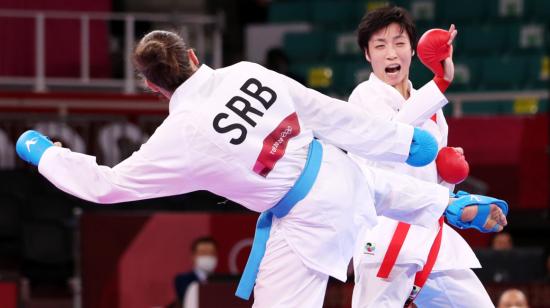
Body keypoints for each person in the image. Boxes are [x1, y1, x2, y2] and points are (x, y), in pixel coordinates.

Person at [15, 30, 507, 307]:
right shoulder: (247, 73)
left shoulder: (178, 136)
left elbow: (106, 186)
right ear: (191, 56)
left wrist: (47, 154)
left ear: (152, 87)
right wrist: (409, 145)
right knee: (361, 184)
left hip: (307, 222)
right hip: (340, 173)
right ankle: (448, 202)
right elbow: (330, 114)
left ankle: (444, 203)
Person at [349, 6, 497, 308]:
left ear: (413, 51)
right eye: (380, 45)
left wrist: (450, 175)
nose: (391, 53)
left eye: (399, 43)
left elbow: (435, 186)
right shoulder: (363, 97)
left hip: (432, 239)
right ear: (367, 54)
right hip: (386, 238)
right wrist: (439, 84)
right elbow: (391, 137)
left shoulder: (433, 109)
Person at [174, 237, 218, 307]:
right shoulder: (183, 279)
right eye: (203, 253)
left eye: (211, 253)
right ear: (193, 256)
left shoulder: (222, 281)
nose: (208, 256)